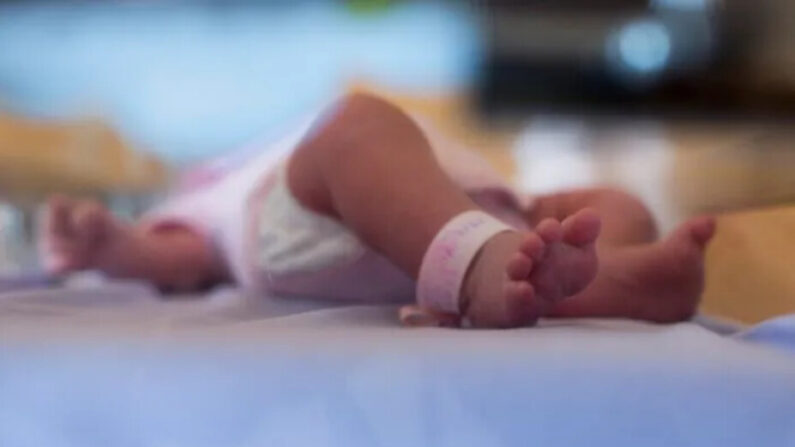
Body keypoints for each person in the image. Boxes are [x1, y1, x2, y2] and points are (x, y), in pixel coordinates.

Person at [39, 93, 715, 328]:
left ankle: (587, 277)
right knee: (352, 121)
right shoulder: (207, 189)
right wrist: (113, 247)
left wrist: (531, 213)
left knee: (607, 206)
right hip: (326, 224)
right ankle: (479, 264)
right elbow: (183, 258)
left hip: (472, 211)